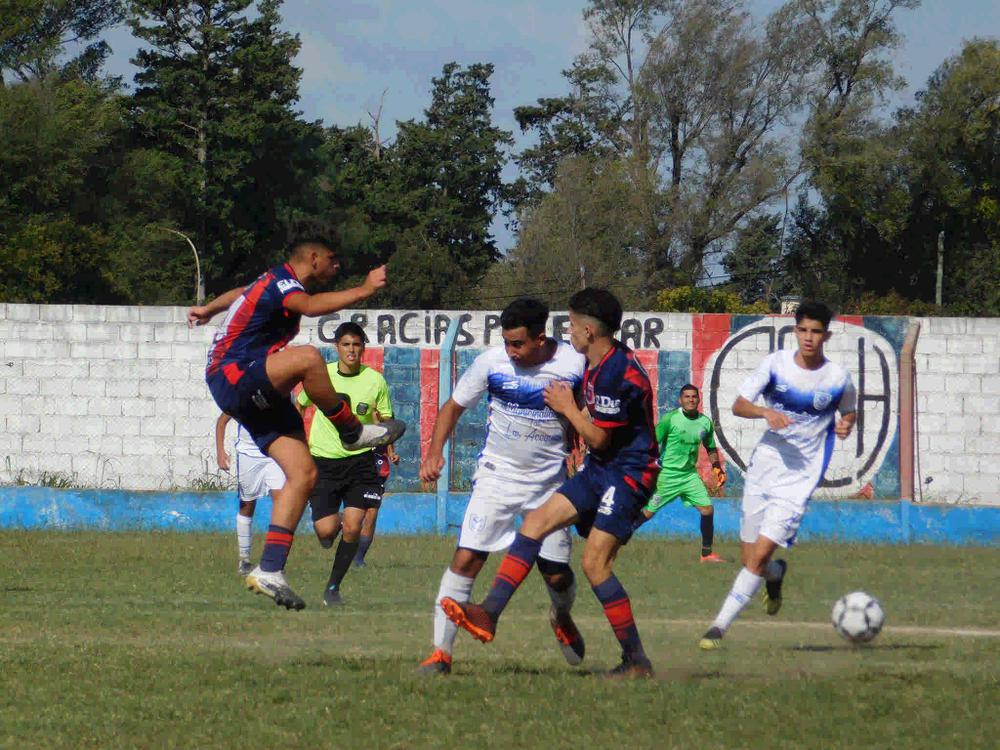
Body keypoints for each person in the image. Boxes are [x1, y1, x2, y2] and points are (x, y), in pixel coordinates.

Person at [441, 288, 661, 678]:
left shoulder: (614, 372)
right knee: (534, 524)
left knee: (595, 564)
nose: (568, 331)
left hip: (629, 473)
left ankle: (637, 661)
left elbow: (598, 438)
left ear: (590, 331)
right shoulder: (595, 359)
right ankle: (490, 613)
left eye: (573, 324)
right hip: (599, 468)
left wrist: (566, 409)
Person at [188, 219, 405, 610]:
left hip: (255, 390)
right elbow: (307, 307)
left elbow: (242, 293)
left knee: (304, 474)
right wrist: (365, 290)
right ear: (314, 257)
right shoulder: (288, 285)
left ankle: (270, 569)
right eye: (333, 260)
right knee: (307, 357)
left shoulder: (272, 282)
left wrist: (209, 308)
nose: (336, 267)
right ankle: (352, 432)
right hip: (231, 373)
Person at [416, 297, 588, 676]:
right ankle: (439, 654)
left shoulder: (575, 364)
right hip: (498, 476)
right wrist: (433, 452)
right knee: (466, 558)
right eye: (506, 342)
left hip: (550, 484)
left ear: (541, 338)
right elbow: (453, 407)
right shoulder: (492, 362)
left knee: (557, 574)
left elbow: (589, 414)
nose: (510, 351)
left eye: (518, 344)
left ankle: (561, 617)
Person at [699, 300, 857, 650]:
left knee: (755, 558)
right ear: (795, 330)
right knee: (750, 559)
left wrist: (846, 425)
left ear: (826, 335)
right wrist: (765, 412)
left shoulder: (837, 378)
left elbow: (849, 411)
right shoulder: (776, 365)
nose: (809, 338)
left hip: (799, 479)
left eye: (816, 332)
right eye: (803, 330)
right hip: (764, 468)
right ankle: (776, 574)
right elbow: (738, 405)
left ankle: (718, 627)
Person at [295, 322, 398, 606]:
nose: (351, 350)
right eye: (346, 344)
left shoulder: (375, 380)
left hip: (360, 461)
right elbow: (300, 404)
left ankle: (332, 588)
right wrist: (296, 439)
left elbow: (388, 420)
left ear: (363, 348)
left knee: (354, 525)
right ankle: (330, 528)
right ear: (336, 347)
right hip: (324, 463)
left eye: (356, 344)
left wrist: (388, 439)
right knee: (326, 532)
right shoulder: (321, 375)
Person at [633, 384, 727, 562]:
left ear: (698, 400)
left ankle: (706, 555)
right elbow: (651, 442)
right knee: (647, 513)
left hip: (689, 476)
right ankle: (614, 537)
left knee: (707, 509)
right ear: (680, 400)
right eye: (687, 397)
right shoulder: (671, 419)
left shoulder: (705, 423)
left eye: (694, 397)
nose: (691, 400)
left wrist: (717, 468)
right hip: (667, 476)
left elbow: (711, 448)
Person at [215, 413, 287, 576]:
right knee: (247, 505)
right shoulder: (244, 393)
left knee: (282, 504)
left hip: (274, 454)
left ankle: (275, 561)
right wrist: (220, 451)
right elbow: (222, 422)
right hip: (248, 455)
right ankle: (244, 559)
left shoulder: (282, 392)